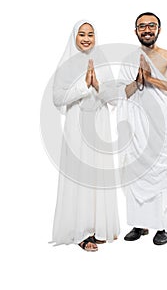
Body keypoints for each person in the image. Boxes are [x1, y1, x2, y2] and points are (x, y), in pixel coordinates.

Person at [117, 12, 167, 245]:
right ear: (135, 31)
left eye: (151, 25)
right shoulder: (128, 58)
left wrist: (151, 79)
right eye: (142, 26)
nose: (147, 30)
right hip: (137, 123)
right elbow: (121, 94)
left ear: (159, 29)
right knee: (136, 171)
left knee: (161, 170)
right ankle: (139, 224)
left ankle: (163, 227)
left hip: (163, 124)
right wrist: (137, 81)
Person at [51, 20, 120, 251]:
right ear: (74, 37)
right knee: (79, 177)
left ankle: (98, 227)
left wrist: (98, 85)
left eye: (91, 34)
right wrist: (83, 85)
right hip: (76, 129)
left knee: (97, 177)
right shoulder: (66, 65)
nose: (87, 38)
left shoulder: (102, 60)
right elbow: (57, 98)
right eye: (82, 34)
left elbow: (114, 97)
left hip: (99, 126)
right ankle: (80, 233)